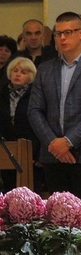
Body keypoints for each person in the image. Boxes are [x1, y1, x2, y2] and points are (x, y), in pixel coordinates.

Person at [28, 12, 81, 207]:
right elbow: (34, 110)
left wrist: (68, 141)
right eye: (58, 34)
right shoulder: (45, 69)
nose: (62, 38)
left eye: (68, 32)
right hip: (53, 154)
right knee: (58, 217)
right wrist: (54, 143)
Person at [0, 57, 39, 191]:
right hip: (6, 148)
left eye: (23, 72)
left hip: (29, 149)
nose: (18, 74)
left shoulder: (36, 95)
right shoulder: (2, 93)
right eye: (15, 71)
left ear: (30, 76)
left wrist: (36, 153)